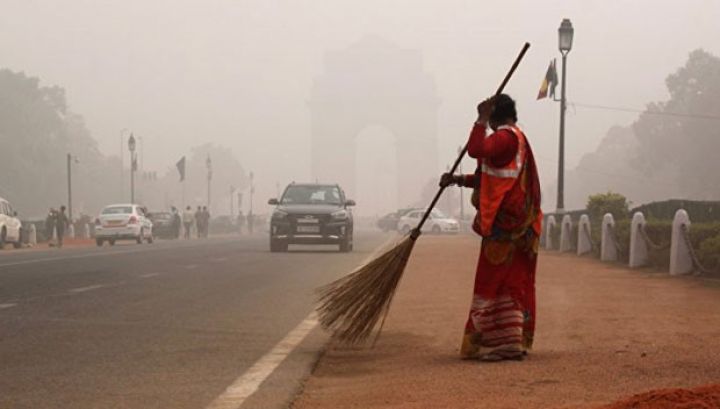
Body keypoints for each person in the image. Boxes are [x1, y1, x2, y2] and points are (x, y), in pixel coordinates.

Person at [440, 94, 542, 362]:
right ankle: (511, 340)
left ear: (495, 115)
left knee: (495, 281)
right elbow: (491, 177)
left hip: (506, 225)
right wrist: (459, 180)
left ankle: (504, 343)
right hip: (520, 224)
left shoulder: (505, 138)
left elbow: (476, 150)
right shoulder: (516, 139)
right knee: (513, 280)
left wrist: (480, 120)